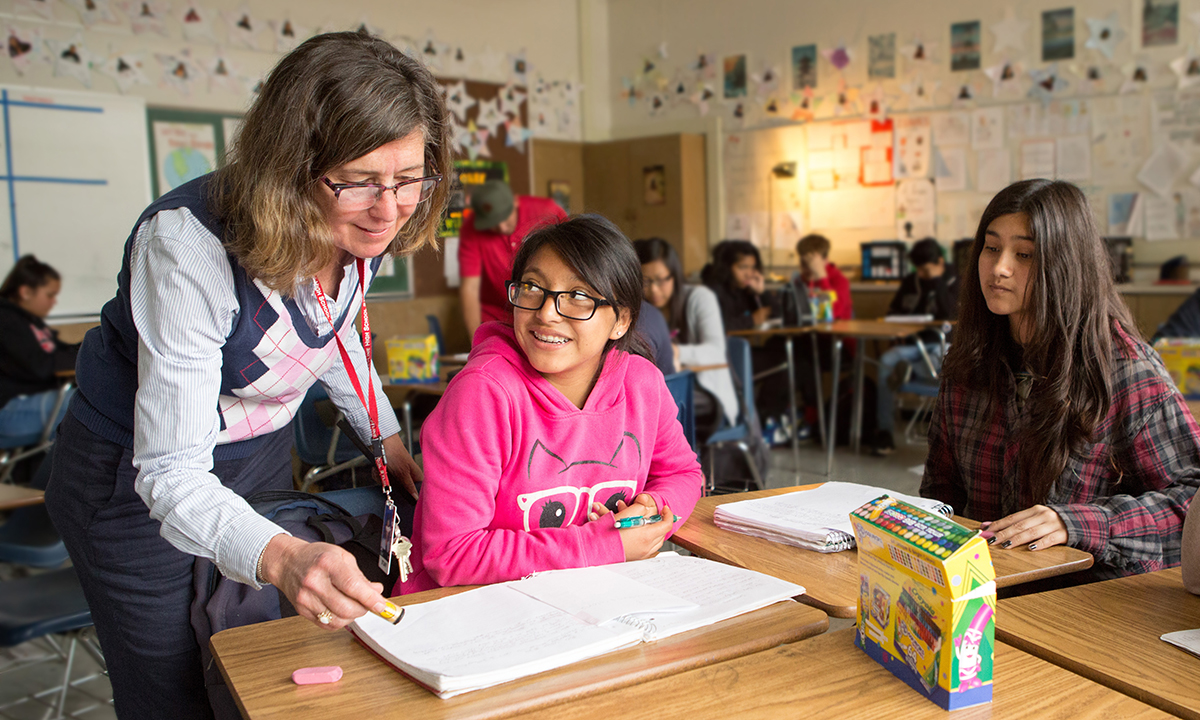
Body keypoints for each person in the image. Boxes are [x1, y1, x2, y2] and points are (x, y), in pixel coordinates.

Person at [43, 32, 450, 719]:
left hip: (255, 456)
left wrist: (386, 440)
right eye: (358, 181)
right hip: (132, 481)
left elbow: (334, 328)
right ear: (291, 168)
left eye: (409, 178)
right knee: (175, 690)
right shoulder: (187, 246)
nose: (389, 208)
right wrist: (286, 559)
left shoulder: (362, 226)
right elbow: (170, 474)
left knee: (261, 664)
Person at [401, 215, 703, 593]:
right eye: (532, 287)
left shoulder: (642, 383)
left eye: (578, 297)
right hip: (472, 611)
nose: (546, 313)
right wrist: (604, 545)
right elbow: (452, 553)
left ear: (620, 321)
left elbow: (683, 474)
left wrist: (653, 506)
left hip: (592, 598)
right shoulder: (484, 393)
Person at [921, 179, 1200, 582]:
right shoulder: (969, 360)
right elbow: (940, 495)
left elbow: (1191, 504)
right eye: (992, 247)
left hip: (1084, 606)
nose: (1000, 268)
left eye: (1025, 254)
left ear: (1064, 263)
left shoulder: (1123, 367)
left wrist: (1077, 523)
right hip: (980, 592)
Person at [634, 237, 737, 438]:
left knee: (656, 408)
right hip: (662, 394)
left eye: (661, 279)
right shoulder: (641, 311)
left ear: (675, 274)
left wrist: (676, 353)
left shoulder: (699, 298)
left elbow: (716, 351)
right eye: (645, 282)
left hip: (708, 395)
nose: (654, 289)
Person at [702, 240, 797, 444]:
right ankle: (764, 418)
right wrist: (752, 320)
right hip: (720, 360)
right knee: (781, 363)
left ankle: (767, 417)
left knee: (781, 351)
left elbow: (779, 316)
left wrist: (762, 293)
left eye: (753, 268)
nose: (749, 273)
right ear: (727, 268)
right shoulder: (713, 291)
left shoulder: (745, 290)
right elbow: (720, 326)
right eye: (742, 267)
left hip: (739, 352)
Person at [871, 238, 958, 455]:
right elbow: (893, 311)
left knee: (943, 359)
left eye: (926, 270)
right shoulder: (912, 281)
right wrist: (897, 331)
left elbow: (952, 315)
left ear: (939, 262)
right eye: (918, 270)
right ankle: (884, 431)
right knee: (886, 361)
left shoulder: (957, 280)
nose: (922, 274)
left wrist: (937, 281)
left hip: (944, 343)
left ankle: (912, 372)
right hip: (913, 344)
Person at [458, 179, 567, 342]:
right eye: (492, 224)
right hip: (497, 317)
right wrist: (476, 342)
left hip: (543, 309)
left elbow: (572, 259)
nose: (502, 228)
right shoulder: (471, 229)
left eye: (505, 218)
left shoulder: (548, 211)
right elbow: (470, 289)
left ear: (515, 202)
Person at [0, 255, 78, 443]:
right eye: (50, 295)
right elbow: (42, 365)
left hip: (29, 404)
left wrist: (90, 347)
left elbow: (60, 352)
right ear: (26, 292)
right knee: (90, 404)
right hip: (10, 411)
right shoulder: (6, 320)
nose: (54, 302)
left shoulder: (31, 322)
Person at [793, 233, 853, 435]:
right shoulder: (800, 281)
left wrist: (821, 278)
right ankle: (795, 414)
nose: (805, 266)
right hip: (808, 342)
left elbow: (830, 316)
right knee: (784, 350)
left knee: (802, 357)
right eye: (803, 260)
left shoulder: (838, 281)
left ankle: (812, 415)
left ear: (822, 259)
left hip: (838, 345)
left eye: (810, 260)